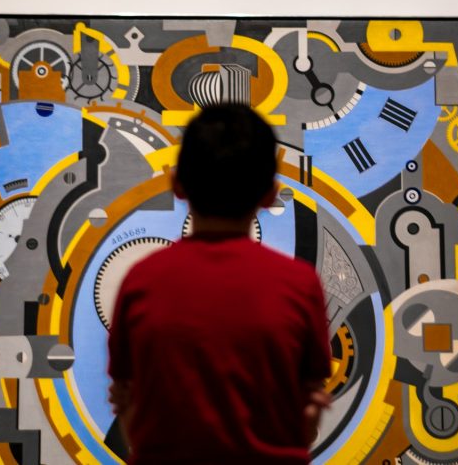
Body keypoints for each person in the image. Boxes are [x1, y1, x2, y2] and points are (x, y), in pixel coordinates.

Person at [107, 103, 332, 464]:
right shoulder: (299, 285)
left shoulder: (141, 282)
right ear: (270, 193)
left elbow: (126, 399)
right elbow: (307, 413)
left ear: (178, 185)